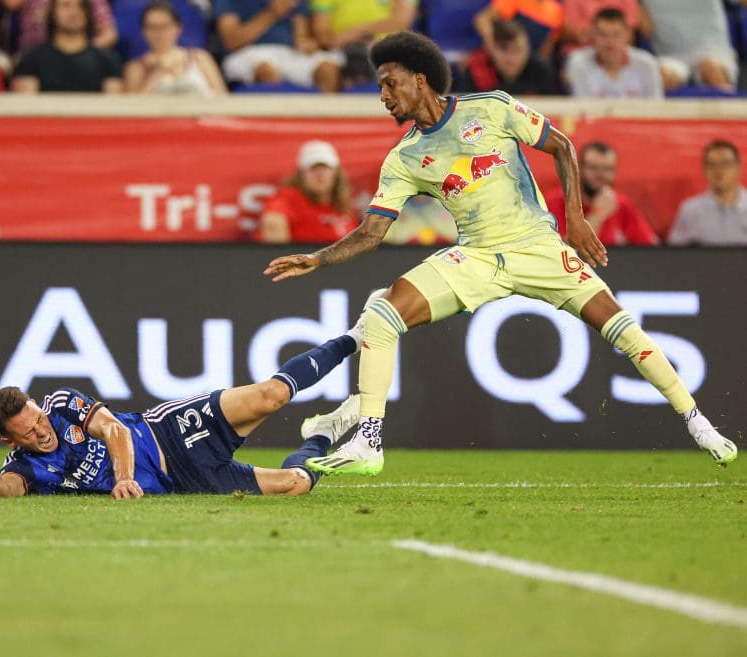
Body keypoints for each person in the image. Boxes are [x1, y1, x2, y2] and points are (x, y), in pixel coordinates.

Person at [263, 31, 737, 475]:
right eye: (380, 87)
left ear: (418, 79)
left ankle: (697, 421)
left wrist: (575, 217)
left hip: (539, 248)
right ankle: (368, 440)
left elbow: (562, 146)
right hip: (478, 258)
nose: (383, 96)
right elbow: (371, 233)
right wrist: (316, 259)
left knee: (625, 332)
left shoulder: (491, 108)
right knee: (384, 314)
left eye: (390, 84)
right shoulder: (404, 158)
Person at [0, 318, 373, 497]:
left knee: (272, 396)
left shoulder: (61, 404)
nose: (42, 431)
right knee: (295, 484)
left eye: (38, 420)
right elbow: (5, 490)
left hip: (168, 431)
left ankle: (354, 336)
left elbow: (115, 430)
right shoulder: (24, 466)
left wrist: (122, 478)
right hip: (186, 480)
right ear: (9, 439)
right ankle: (323, 433)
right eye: (28, 433)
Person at [544, 141, 659, 246]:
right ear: (579, 170)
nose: (600, 175)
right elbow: (566, 252)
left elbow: (651, 246)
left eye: (608, 169)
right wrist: (597, 214)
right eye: (593, 168)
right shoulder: (556, 201)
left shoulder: (621, 204)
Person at [214, 0, 344, 92]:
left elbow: (301, 34)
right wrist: (272, 13)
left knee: (328, 69)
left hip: (290, 53)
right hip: (247, 52)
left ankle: (323, 127)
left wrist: (306, 44)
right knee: (265, 69)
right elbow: (231, 41)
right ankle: (275, 129)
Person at [11, 0, 123, 92]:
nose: (74, 12)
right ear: (52, 12)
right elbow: (27, 112)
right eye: (66, 5)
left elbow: (113, 112)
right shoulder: (31, 61)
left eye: (81, 6)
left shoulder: (108, 61)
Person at [259, 139, 357, 243]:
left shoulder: (344, 205)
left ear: (336, 173)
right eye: (313, 169)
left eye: (325, 168)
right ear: (301, 174)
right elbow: (273, 221)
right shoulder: (289, 199)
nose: (319, 175)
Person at [123, 1, 228, 96]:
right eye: (152, 27)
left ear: (178, 28)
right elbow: (134, 109)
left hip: (205, 115)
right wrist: (158, 73)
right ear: (143, 31)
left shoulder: (200, 57)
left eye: (164, 27)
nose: (159, 33)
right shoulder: (135, 67)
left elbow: (222, 97)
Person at [564, 7, 663, 99]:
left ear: (627, 35)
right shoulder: (579, 63)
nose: (609, 41)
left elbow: (656, 108)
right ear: (593, 35)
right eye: (603, 35)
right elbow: (582, 109)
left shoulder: (646, 64)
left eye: (616, 35)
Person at [641, 0, 738, 92]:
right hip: (670, 57)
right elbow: (646, 29)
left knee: (711, 70)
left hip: (713, 52)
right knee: (660, 77)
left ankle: (734, 108)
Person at [668, 140, 747, 246]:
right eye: (712, 165)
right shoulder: (690, 210)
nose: (719, 171)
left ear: (738, 168)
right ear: (704, 170)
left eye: (725, 164)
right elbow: (674, 254)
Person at [453, 19, 558, 96]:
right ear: (492, 48)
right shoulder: (475, 71)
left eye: (518, 50)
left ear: (528, 49)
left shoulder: (541, 72)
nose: (511, 59)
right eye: (504, 50)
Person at [473, 0, 564, 61]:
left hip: (529, 62)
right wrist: (493, 46)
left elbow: (547, 46)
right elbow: (482, 20)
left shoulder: (556, 9)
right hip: (504, 57)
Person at [16, 0, 117, 55]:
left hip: (81, 60)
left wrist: (81, 51)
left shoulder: (93, 2)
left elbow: (109, 35)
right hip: (31, 57)